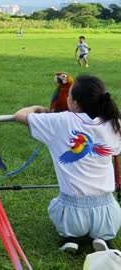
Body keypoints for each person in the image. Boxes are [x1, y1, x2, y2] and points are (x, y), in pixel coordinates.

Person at [14, 75, 121, 253]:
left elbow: (20, 116)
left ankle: (72, 238)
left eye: (69, 96)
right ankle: (102, 238)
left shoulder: (61, 121)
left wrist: (37, 109)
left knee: (60, 207)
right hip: (108, 213)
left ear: (75, 103)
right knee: (103, 225)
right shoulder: (114, 124)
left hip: (71, 214)